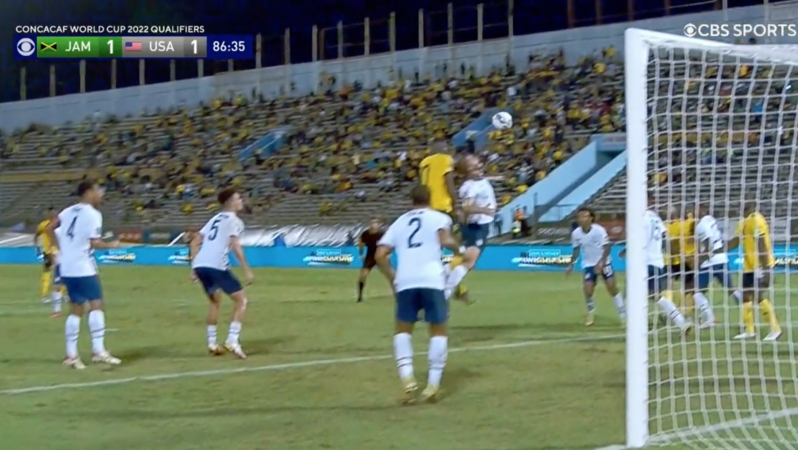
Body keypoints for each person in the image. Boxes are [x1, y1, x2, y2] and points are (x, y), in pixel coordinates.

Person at [374, 185, 460, 404]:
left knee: (403, 330)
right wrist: (459, 249)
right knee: (438, 330)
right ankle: (432, 384)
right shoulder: (439, 217)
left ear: (410, 200)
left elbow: (380, 255)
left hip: (406, 281)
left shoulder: (399, 222)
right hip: (432, 280)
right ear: (430, 198)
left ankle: (407, 380)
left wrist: (393, 277)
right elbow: (445, 240)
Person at [44, 179, 121, 369]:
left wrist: (59, 248)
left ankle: (71, 355)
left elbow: (48, 228)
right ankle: (98, 351)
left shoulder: (68, 210)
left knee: (76, 308)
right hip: (83, 266)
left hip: (67, 266)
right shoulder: (93, 214)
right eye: (98, 190)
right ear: (88, 192)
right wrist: (110, 245)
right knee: (96, 304)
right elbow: (94, 243)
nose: (100, 194)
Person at [189, 187, 254, 358]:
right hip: (217, 264)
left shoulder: (214, 219)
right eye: (238, 198)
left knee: (214, 302)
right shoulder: (235, 221)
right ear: (231, 202)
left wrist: (194, 267)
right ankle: (232, 340)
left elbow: (195, 242)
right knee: (241, 300)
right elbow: (235, 246)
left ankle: (212, 343)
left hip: (202, 265)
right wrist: (246, 269)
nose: (241, 201)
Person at [443, 154, 496, 303]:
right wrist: (484, 210)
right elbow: (467, 207)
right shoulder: (471, 186)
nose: (478, 167)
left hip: (474, 227)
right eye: (473, 167)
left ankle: (443, 276)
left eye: (478, 163)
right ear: (466, 171)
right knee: (469, 262)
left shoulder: (478, 181)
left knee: (464, 260)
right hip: (478, 227)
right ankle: (444, 294)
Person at [419, 141, 468, 298]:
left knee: (432, 251)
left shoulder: (424, 163)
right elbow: (448, 183)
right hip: (442, 209)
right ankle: (456, 288)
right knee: (458, 247)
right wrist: (456, 205)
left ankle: (454, 287)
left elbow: (421, 187)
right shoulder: (445, 159)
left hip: (425, 209)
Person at [727, 202, 781, 341]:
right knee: (745, 296)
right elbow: (736, 241)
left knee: (758, 295)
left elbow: (761, 244)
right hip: (749, 266)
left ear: (752, 206)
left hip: (760, 265)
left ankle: (775, 329)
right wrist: (718, 249)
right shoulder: (743, 222)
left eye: (746, 206)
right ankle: (750, 330)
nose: (743, 208)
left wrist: (766, 269)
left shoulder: (756, 220)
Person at [566, 207, 625, 327]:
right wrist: (571, 264)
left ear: (591, 218)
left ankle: (623, 316)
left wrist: (601, 262)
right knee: (587, 289)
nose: (581, 219)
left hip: (604, 261)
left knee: (612, 287)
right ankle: (591, 314)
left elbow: (607, 247)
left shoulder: (599, 231)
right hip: (589, 263)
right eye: (579, 217)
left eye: (584, 216)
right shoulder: (576, 233)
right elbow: (576, 249)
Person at [644, 197, 692, 334]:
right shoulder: (656, 218)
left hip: (646, 261)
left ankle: (681, 322)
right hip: (658, 261)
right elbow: (666, 239)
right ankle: (680, 321)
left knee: (651, 294)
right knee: (653, 294)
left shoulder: (640, 217)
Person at [357, 218, 385, 303]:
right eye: (372, 223)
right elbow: (361, 244)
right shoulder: (365, 234)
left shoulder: (381, 234)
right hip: (370, 257)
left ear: (378, 225)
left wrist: (387, 254)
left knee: (391, 275)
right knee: (363, 275)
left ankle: (398, 295)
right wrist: (361, 254)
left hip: (380, 256)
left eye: (376, 223)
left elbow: (387, 244)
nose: (374, 225)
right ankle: (360, 297)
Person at [34, 207, 58, 303]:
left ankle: (62, 294)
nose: (52, 214)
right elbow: (36, 235)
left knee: (63, 272)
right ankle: (44, 295)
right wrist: (37, 248)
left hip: (59, 250)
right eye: (50, 213)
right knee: (48, 272)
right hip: (48, 251)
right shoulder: (43, 225)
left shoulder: (59, 223)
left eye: (54, 212)